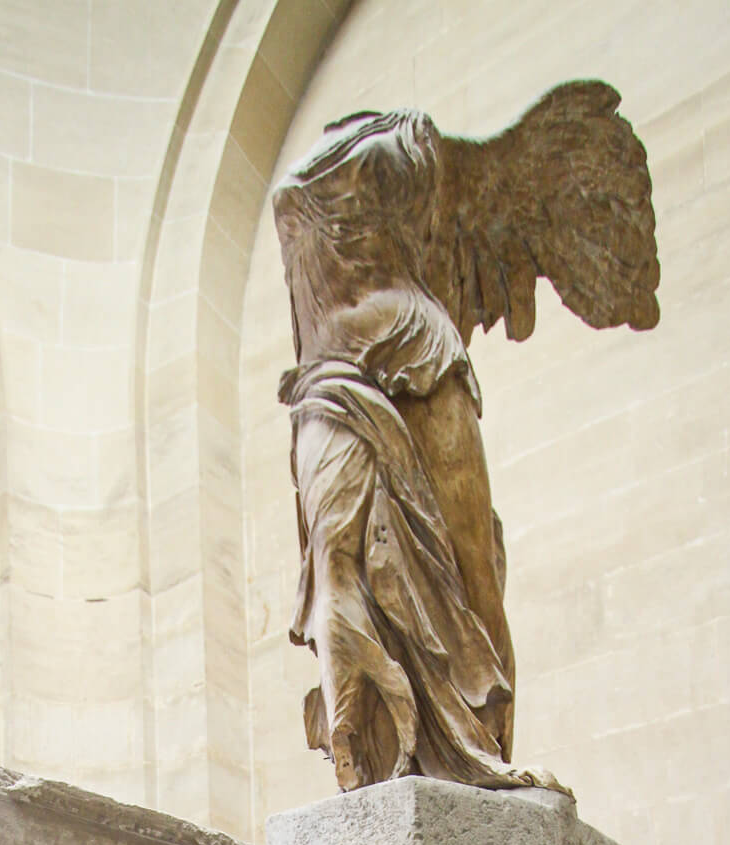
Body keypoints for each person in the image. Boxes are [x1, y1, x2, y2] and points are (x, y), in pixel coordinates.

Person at [274, 87, 660, 792]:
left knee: (469, 572)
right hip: (328, 389)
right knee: (344, 593)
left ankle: (486, 756)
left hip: (420, 364)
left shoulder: (414, 142)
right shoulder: (298, 181)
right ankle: (370, 764)